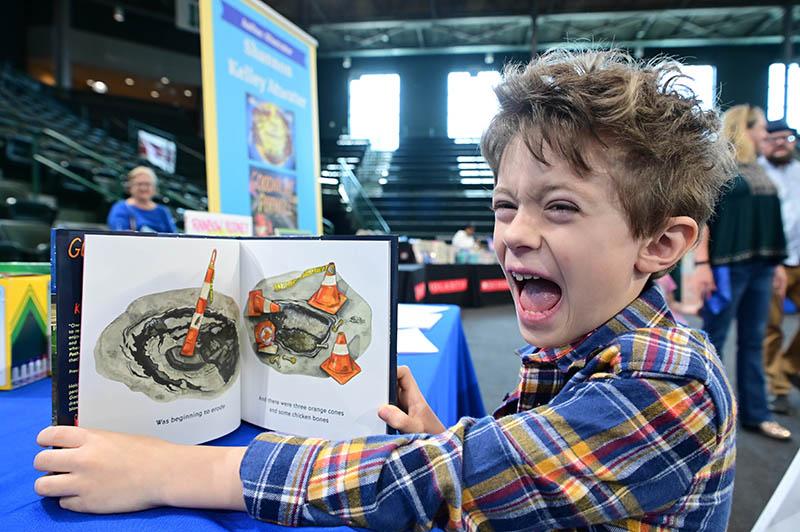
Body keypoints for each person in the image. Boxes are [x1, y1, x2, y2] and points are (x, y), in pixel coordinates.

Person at [34, 50, 737, 530]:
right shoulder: (588, 339)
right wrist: (439, 434)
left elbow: (443, 482)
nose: (516, 234)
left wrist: (172, 470)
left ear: (662, 244)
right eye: (504, 205)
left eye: (559, 208)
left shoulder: (669, 380)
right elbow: (529, 462)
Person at [693, 105, 791, 440]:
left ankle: (756, 414)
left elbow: (768, 220)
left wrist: (776, 263)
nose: (766, 133)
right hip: (727, 268)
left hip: (761, 267)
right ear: (744, 128)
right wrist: (702, 265)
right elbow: (702, 221)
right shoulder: (720, 169)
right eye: (761, 127)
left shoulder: (761, 169)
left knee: (752, 342)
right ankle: (703, 417)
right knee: (714, 340)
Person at [760, 119, 800, 414]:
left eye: (786, 139)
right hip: (773, 263)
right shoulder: (757, 174)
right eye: (774, 139)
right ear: (763, 142)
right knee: (771, 326)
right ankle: (779, 386)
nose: (780, 144)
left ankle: (789, 366)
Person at [107, 166, 177, 233]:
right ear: (130, 186)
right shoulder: (121, 208)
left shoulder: (163, 211)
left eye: (147, 184)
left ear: (154, 188)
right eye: (139, 184)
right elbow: (119, 234)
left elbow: (173, 237)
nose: (143, 188)